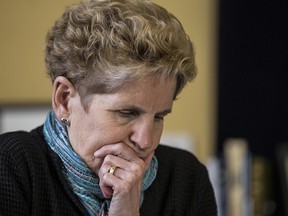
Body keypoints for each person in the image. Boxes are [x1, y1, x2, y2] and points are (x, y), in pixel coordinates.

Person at [0, 0, 217, 215]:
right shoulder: (11, 164)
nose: (146, 141)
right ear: (65, 100)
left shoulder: (187, 179)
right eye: (127, 113)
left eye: (159, 117)